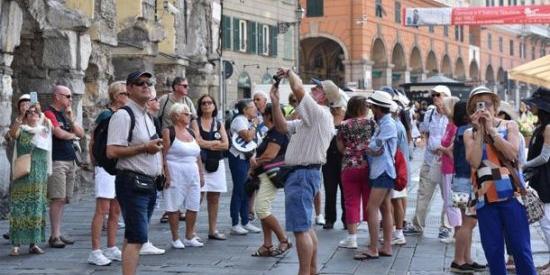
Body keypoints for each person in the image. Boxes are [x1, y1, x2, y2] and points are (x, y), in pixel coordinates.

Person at [464, 86, 536, 275]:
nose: (483, 108)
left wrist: (492, 131)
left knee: (521, 249)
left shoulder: (509, 126)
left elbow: (511, 153)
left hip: (511, 196)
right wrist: (480, 132)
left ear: (495, 106)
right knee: (493, 252)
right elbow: (474, 161)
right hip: (485, 198)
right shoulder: (469, 133)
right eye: (478, 105)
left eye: (487, 104)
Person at [270, 68, 334, 275]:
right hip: (305, 173)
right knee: (306, 227)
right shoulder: (312, 118)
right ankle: (311, 270)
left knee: (300, 229)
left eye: (316, 89)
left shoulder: (318, 113)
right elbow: (281, 126)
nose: (312, 90)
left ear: (324, 97)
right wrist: (276, 104)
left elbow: (297, 88)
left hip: (302, 174)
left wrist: (289, 73)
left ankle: (304, 272)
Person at [106, 71, 164, 275]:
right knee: (138, 237)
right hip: (132, 182)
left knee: (133, 235)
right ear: (129, 89)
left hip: (149, 182)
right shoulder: (123, 116)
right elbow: (112, 151)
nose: (146, 86)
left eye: (149, 82)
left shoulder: (147, 116)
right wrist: (144, 148)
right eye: (140, 83)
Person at [405, 85, 453, 243]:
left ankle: (445, 226)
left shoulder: (452, 115)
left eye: (438, 95)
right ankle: (417, 224)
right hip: (429, 159)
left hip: (446, 160)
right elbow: (425, 131)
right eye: (433, 95)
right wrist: (424, 141)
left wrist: (444, 149)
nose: (435, 97)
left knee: (448, 195)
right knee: (423, 192)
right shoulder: (430, 113)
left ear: (446, 96)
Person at [353, 91, 397, 260]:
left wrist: (369, 147)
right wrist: (370, 148)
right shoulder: (384, 123)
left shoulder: (387, 124)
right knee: (385, 209)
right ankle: (386, 246)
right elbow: (373, 148)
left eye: (372, 107)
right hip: (383, 170)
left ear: (378, 108)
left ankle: (373, 248)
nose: (371, 109)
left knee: (371, 208)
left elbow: (374, 147)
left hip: (382, 170)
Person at [87, 81, 127, 265]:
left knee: (116, 209)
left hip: (119, 165)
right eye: (125, 93)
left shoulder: (124, 114)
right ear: (117, 96)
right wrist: (96, 163)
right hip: (105, 165)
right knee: (102, 209)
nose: (128, 96)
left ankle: (111, 247)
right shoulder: (106, 115)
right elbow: (94, 141)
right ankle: (95, 250)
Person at [43, 85, 85, 248]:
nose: (70, 99)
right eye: (67, 96)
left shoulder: (65, 115)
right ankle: (54, 235)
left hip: (70, 160)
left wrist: (71, 119)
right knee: (57, 198)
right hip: (57, 160)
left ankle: (58, 232)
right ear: (57, 96)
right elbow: (58, 133)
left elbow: (80, 133)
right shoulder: (49, 113)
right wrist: (73, 136)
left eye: (71, 96)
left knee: (64, 199)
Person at [8, 104, 52, 256]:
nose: (33, 114)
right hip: (24, 172)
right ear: (26, 117)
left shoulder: (44, 130)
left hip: (39, 173)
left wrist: (39, 109)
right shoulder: (22, 130)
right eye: (30, 113)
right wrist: (20, 116)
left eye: (36, 113)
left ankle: (34, 243)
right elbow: (12, 133)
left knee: (36, 207)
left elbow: (47, 123)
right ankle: (16, 244)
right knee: (20, 207)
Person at [448, 101, 487, 273]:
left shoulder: (459, 130)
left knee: (468, 222)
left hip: (460, 181)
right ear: (466, 114)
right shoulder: (466, 131)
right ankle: (458, 260)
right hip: (466, 182)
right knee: (469, 222)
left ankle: (466, 258)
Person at [249, 103, 292, 257]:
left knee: (261, 209)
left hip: (269, 175)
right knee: (264, 209)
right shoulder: (272, 132)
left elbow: (270, 155)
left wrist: (255, 162)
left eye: (262, 114)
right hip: (264, 175)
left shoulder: (277, 132)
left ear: (268, 115)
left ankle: (284, 239)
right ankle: (267, 245)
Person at [162, 103, 205, 249]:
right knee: (173, 204)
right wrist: (166, 174)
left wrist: (201, 173)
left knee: (194, 203)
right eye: (186, 113)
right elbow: (164, 155)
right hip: (175, 170)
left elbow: (197, 154)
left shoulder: (192, 132)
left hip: (192, 170)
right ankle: (175, 238)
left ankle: (189, 235)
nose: (189, 116)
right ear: (176, 116)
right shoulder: (168, 132)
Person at [336, 96, 375, 248]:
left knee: (350, 202)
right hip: (368, 166)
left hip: (349, 167)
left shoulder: (343, 125)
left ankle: (352, 238)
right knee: (370, 202)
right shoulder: (371, 123)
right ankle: (373, 235)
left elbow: (340, 147)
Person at [191, 95, 228, 241]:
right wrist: (214, 143)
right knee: (198, 196)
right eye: (204, 103)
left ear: (214, 105)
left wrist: (208, 144)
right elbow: (197, 141)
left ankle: (213, 230)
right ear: (200, 106)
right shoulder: (195, 122)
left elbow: (226, 144)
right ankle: (192, 231)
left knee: (214, 197)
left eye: (209, 102)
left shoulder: (218, 123)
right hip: (201, 163)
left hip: (216, 163)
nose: (207, 105)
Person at [522, 88, 550, 275]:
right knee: (544, 219)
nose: (530, 106)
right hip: (541, 177)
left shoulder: (548, 128)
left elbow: (545, 156)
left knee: (546, 221)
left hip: (546, 178)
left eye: (534, 104)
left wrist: (524, 164)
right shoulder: (541, 126)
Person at [228, 99, 262, 235]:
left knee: (246, 189)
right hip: (238, 158)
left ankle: (245, 221)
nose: (255, 109)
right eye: (252, 107)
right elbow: (247, 137)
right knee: (239, 189)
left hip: (247, 159)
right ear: (244, 110)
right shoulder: (240, 120)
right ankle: (235, 223)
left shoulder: (247, 121)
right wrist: (254, 125)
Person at [3, 94, 33, 241]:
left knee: (31, 199)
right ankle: (14, 228)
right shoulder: (18, 122)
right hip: (19, 164)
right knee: (18, 198)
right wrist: (21, 116)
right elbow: (11, 135)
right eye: (22, 104)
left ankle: (28, 229)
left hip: (34, 165)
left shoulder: (38, 122)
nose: (25, 107)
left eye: (27, 104)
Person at [438, 96, 462, 243]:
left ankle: (458, 233)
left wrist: (441, 148)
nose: (442, 108)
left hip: (452, 169)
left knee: (452, 202)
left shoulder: (455, 128)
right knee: (449, 201)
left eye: (445, 106)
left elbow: (453, 151)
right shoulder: (448, 125)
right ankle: (456, 232)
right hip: (446, 167)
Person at [322, 99, 347, 230]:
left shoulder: (346, 120)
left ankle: (346, 219)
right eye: (332, 108)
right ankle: (329, 219)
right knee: (329, 190)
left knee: (345, 191)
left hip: (343, 159)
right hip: (329, 159)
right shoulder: (327, 120)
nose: (334, 110)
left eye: (336, 108)